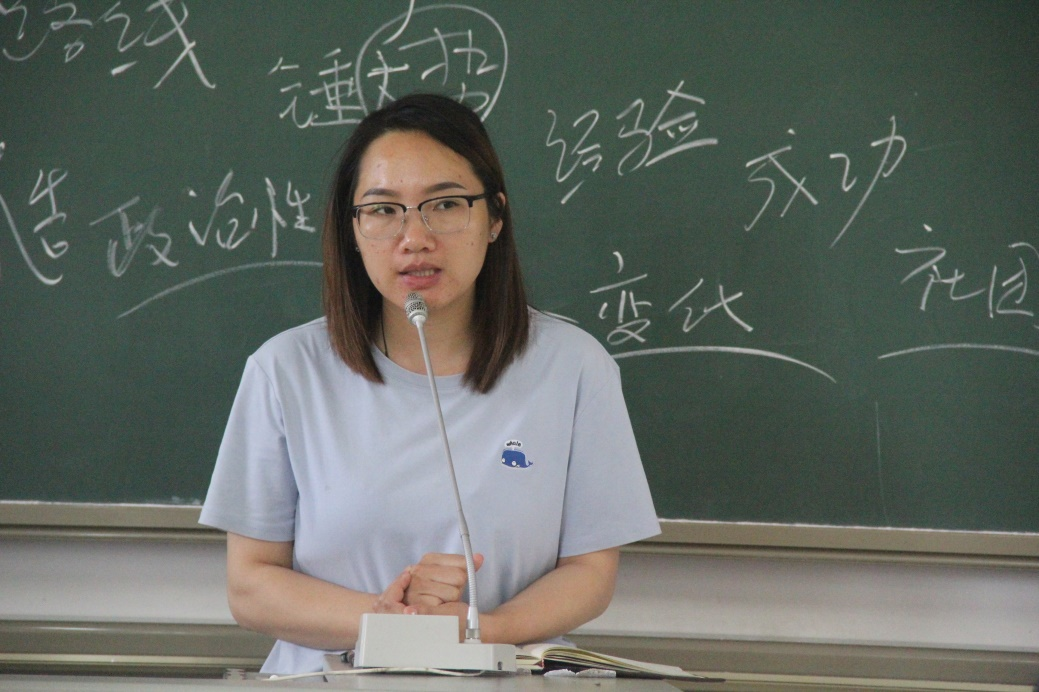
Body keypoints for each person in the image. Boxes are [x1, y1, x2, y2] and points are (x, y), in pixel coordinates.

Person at [198, 93, 660, 674]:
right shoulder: (286, 369)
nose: (414, 237)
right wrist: (387, 617)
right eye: (383, 210)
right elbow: (250, 585)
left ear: (495, 217)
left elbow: (590, 573)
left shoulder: (574, 367)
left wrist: (479, 630)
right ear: (352, 229)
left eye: (444, 204)